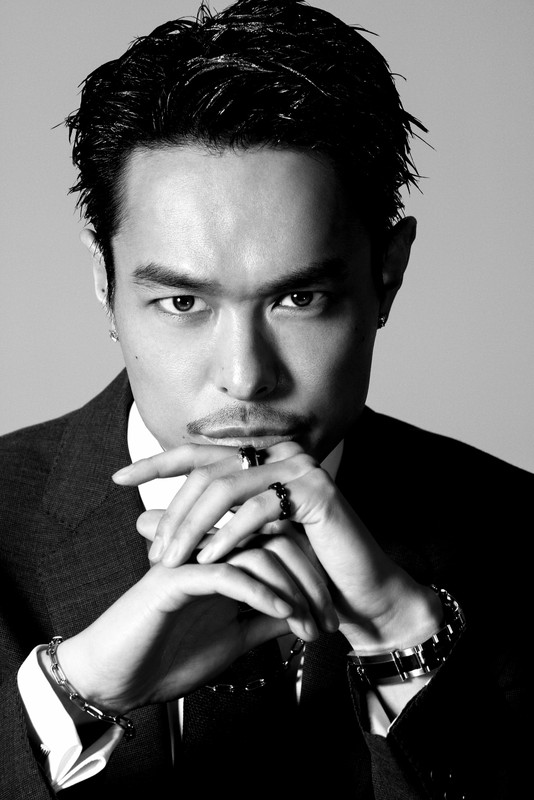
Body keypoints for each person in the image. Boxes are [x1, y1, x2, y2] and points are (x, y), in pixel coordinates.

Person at [0, 1, 528, 797]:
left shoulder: (518, 537)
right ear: (104, 281)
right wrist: (67, 704)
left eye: (299, 298)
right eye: (183, 302)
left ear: (387, 274)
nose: (245, 377)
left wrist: (407, 642)